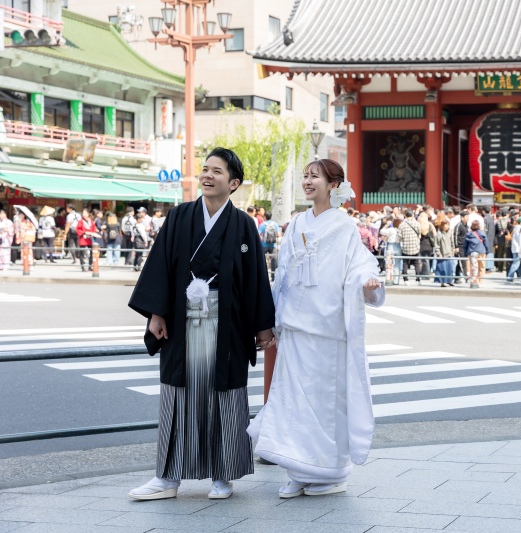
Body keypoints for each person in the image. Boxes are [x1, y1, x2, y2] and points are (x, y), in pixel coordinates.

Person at [127, 147, 275, 501]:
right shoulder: (179, 217)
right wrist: (156, 313)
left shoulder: (242, 225)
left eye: (217, 171)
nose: (207, 176)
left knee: (225, 396)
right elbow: (161, 266)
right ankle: (167, 476)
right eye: (205, 169)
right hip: (182, 319)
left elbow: (256, 278)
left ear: (234, 183)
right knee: (178, 396)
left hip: (228, 324)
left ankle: (223, 475)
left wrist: (263, 325)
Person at [247, 158, 384, 498]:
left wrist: (367, 282)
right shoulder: (296, 223)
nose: (307, 182)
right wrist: (273, 319)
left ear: (334, 185)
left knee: (324, 403)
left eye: (315, 177)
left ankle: (329, 472)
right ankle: (298, 470)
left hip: (326, 329)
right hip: (295, 326)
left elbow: (358, 265)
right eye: (305, 176)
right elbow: (284, 274)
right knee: (292, 401)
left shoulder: (344, 226)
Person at [398, 209, 421, 284]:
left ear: (405, 215)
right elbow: (419, 234)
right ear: (413, 215)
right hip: (415, 246)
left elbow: (399, 236)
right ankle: (418, 280)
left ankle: (406, 280)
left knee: (405, 263)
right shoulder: (417, 224)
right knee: (416, 263)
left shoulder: (402, 225)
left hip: (406, 246)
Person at [463, 220, 488, 285]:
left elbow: (465, 245)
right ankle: (481, 282)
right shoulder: (482, 233)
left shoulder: (468, 234)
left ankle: (474, 281)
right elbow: (486, 244)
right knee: (482, 267)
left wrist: (466, 253)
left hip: (472, 252)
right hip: (481, 251)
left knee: (473, 267)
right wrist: (487, 252)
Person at [258, 211, 281, 279]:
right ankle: (273, 276)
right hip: (273, 245)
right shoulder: (275, 224)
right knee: (273, 260)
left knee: (262, 260)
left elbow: (258, 234)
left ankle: (262, 275)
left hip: (264, 245)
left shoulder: (262, 225)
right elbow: (278, 234)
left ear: (265, 217)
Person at [433, 219, 455, 287]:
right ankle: (442, 282)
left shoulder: (449, 233)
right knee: (442, 269)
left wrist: (453, 250)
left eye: (448, 225)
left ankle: (449, 281)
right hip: (442, 254)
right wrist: (438, 253)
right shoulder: (438, 234)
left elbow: (452, 242)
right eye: (446, 225)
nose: (447, 226)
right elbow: (436, 245)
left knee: (450, 269)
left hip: (449, 253)